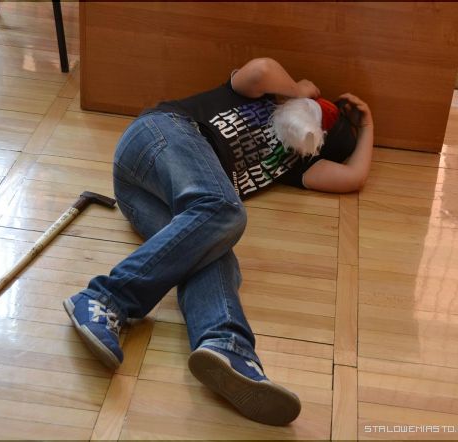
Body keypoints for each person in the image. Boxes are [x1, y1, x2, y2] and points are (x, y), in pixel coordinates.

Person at [63, 57, 374, 426]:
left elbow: (353, 177)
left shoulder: (294, 167)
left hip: (138, 195)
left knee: (215, 255)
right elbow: (261, 69)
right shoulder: (258, 97)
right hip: (159, 135)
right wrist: (297, 91)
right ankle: (106, 297)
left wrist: (368, 126)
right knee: (225, 210)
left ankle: (227, 346)